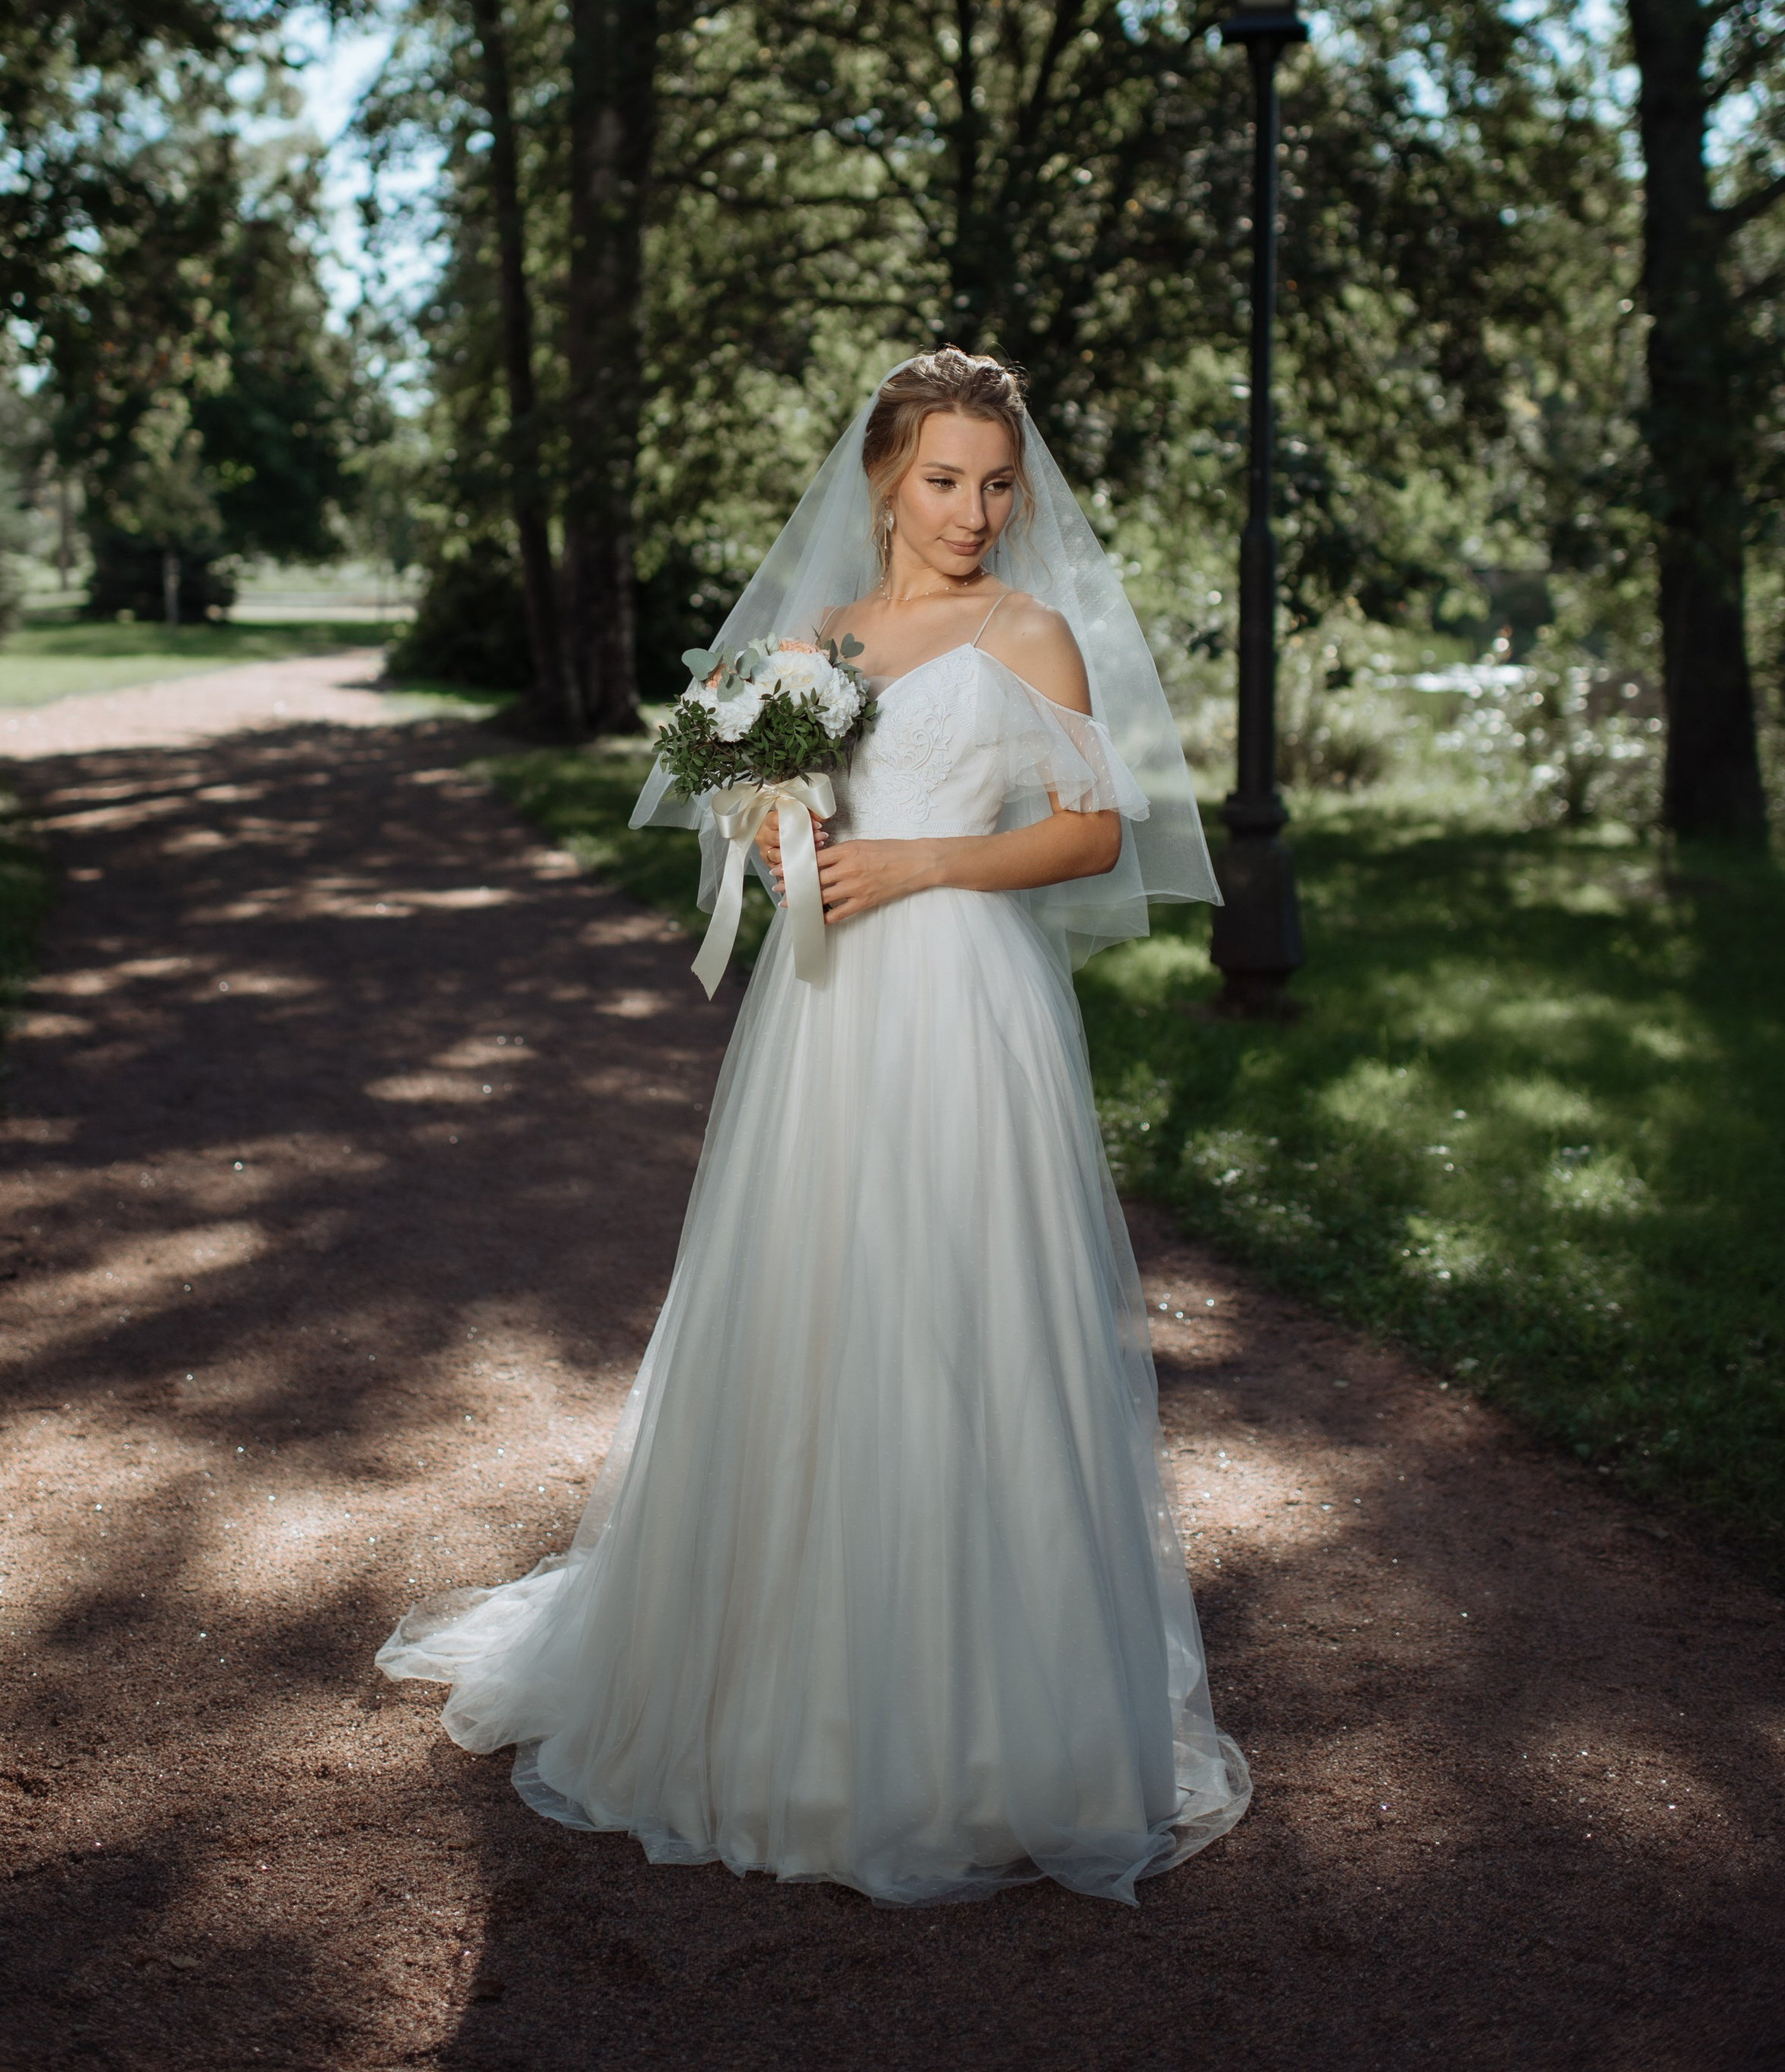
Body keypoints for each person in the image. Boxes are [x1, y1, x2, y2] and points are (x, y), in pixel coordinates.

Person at [376, 349, 1250, 1904]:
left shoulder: (1027, 631)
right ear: (883, 479)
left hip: (965, 1002)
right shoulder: (814, 644)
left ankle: (990, 1720)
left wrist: (920, 864)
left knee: (966, 1307)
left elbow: (1091, 832)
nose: (973, 510)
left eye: (997, 483)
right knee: (817, 1298)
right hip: (826, 1010)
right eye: (943, 479)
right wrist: (779, 833)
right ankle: (786, 1695)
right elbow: (767, 807)